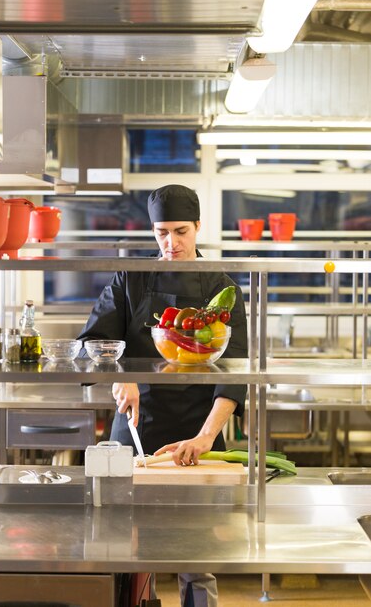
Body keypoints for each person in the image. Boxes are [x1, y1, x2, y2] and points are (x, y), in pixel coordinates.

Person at [78, 184, 248, 607]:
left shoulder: (222, 286)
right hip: (136, 421)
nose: (170, 243)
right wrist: (123, 374)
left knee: (197, 545)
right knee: (126, 543)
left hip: (199, 425)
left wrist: (207, 438)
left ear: (198, 228)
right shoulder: (131, 279)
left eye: (180, 232)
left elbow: (236, 374)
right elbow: (93, 343)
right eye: (160, 233)